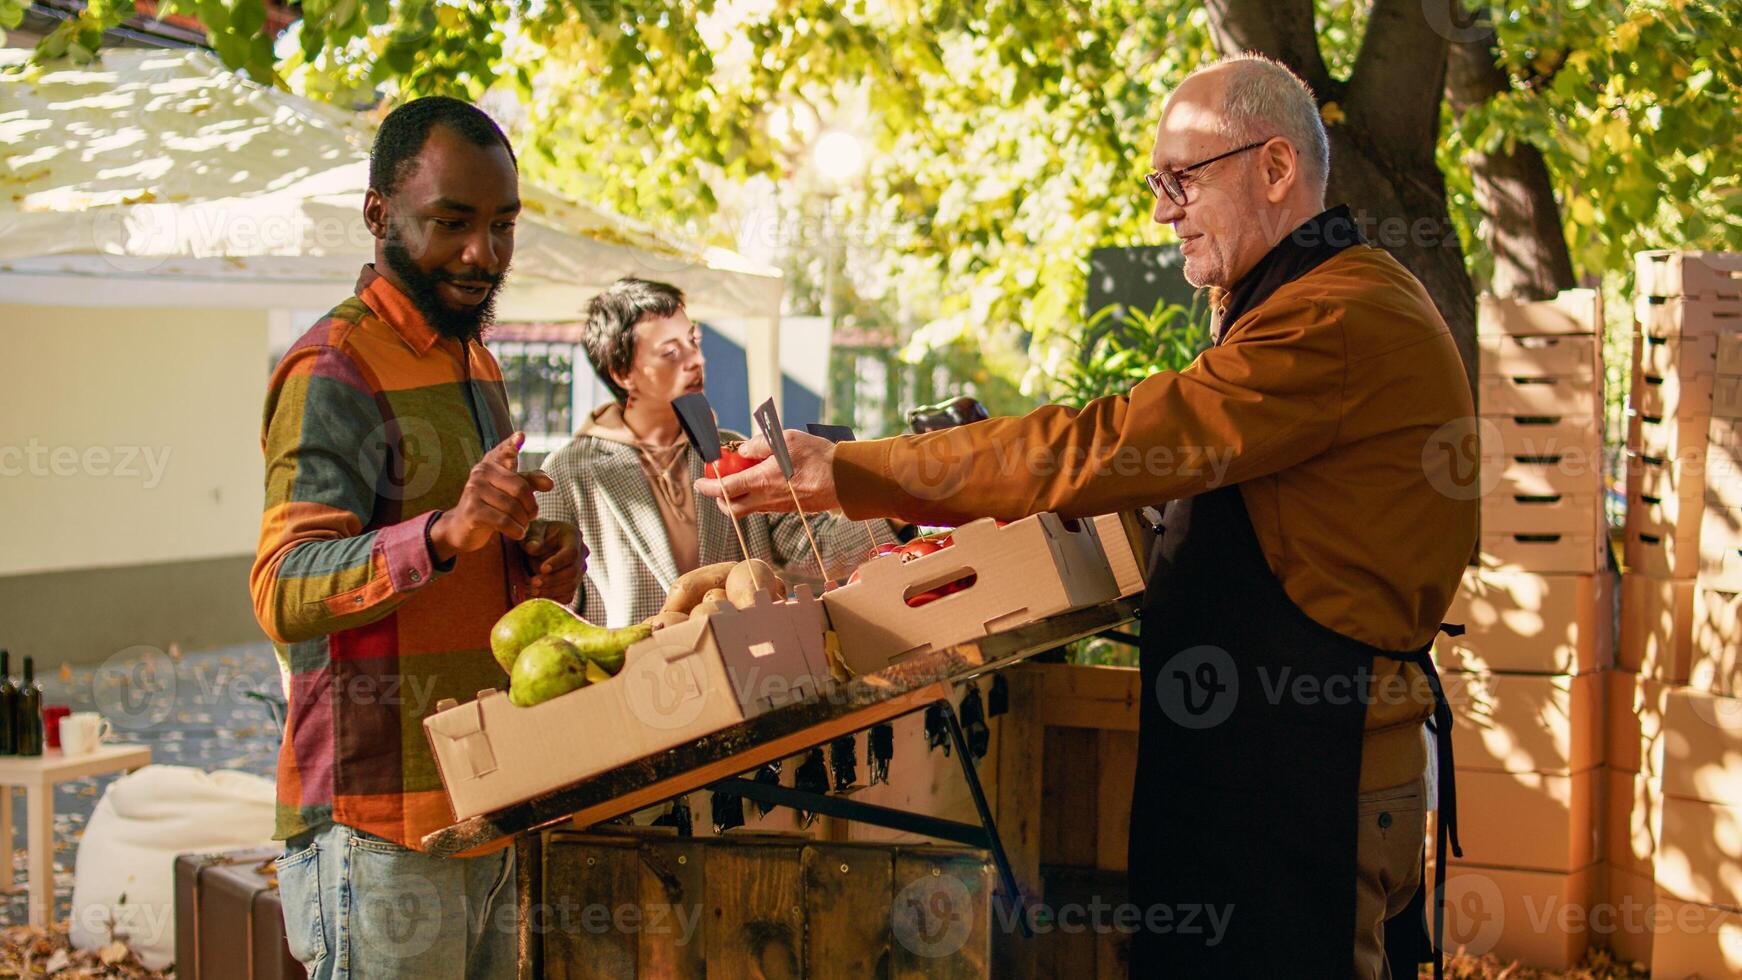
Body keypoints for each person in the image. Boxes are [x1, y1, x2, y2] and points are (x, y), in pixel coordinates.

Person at [700, 53, 1476, 978]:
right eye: (1158, 183)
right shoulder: (1300, 302)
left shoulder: (1331, 319)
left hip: (1309, 765)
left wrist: (857, 472)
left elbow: (1104, 443)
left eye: (1183, 179)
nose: (1162, 210)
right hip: (1266, 757)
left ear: (1275, 168)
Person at [251, 96, 584, 980]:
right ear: (378, 214)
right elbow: (283, 588)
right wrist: (441, 532)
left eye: (503, 226)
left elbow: (472, 552)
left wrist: (540, 559)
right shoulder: (334, 365)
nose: (484, 254)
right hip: (379, 827)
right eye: (453, 222)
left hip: (489, 795)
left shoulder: (474, 359)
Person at [537, 276, 899, 627]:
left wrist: (894, 499)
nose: (696, 360)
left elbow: (812, 545)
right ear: (622, 373)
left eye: (693, 341)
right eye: (671, 351)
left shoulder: (735, 448)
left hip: (755, 666)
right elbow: (553, 604)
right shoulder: (567, 473)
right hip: (645, 677)